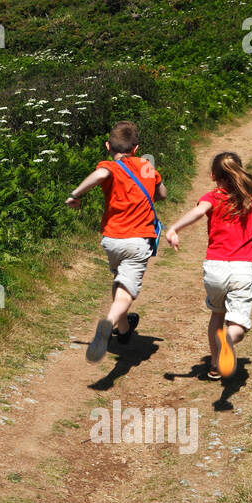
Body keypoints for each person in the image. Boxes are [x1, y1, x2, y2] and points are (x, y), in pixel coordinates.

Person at [66, 120, 166, 362]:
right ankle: (107, 324)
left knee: (120, 280)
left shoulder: (110, 166)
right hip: (137, 240)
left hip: (112, 239)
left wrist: (75, 195)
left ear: (107, 145)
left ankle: (123, 330)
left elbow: (101, 173)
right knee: (126, 292)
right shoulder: (145, 166)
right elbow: (162, 194)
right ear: (136, 147)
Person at [165, 151, 252, 380]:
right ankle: (228, 339)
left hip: (215, 268)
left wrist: (174, 229)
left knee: (217, 315)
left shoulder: (212, 197)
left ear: (212, 175)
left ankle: (215, 365)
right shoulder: (251, 201)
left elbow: (199, 212)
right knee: (236, 324)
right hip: (242, 268)